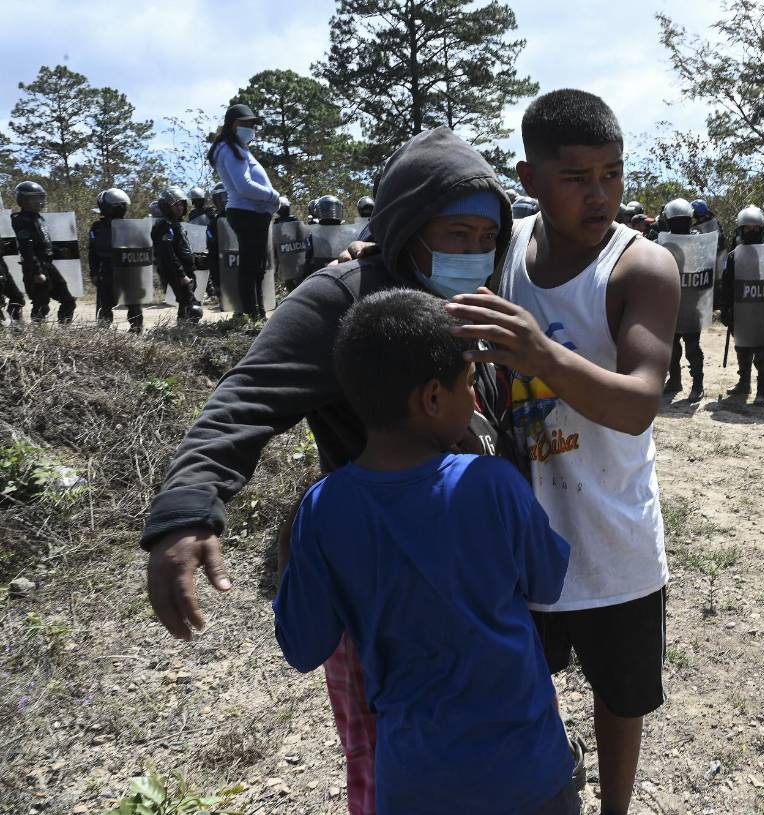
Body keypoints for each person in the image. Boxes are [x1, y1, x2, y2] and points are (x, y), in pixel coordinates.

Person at [140, 127, 520, 814]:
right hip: (383, 589)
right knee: (384, 757)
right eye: (456, 233)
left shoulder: (482, 295)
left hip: (473, 579)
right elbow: (247, 397)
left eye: (485, 237)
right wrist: (188, 505)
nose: (473, 253)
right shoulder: (342, 298)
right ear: (407, 226)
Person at [445, 89, 677, 815]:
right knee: (523, 683)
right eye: (577, 178)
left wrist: (539, 352)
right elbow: (432, 255)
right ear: (529, 178)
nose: (600, 194)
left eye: (613, 173)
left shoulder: (640, 267)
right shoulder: (503, 245)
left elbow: (638, 402)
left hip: (614, 539)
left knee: (620, 696)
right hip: (520, 537)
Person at [274, 288, 579, 815]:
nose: (476, 401)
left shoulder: (324, 510)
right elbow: (548, 582)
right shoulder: (493, 484)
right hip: (528, 772)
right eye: (468, 386)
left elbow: (303, 646)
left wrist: (296, 544)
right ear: (434, 398)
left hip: (415, 784)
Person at [208, 103, 280, 320]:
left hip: (253, 213)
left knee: (256, 267)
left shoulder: (237, 148)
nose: (251, 127)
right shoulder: (229, 150)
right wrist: (272, 196)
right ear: (232, 125)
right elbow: (244, 185)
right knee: (250, 267)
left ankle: (257, 312)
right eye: (245, 123)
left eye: (253, 123)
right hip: (247, 212)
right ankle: (251, 314)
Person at [720, 205, 764, 405]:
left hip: (762, 310)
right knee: (742, 348)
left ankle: (762, 391)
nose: (751, 231)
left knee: (760, 351)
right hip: (740, 311)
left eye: (755, 228)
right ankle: (744, 383)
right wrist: (725, 308)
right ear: (741, 230)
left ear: (762, 229)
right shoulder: (734, 255)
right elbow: (727, 284)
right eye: (747, 228)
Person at [11, 181, 75, 324]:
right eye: (35, 198)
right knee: (41, 304)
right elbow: (26, 247)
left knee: (69, 301)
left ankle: (65, 331)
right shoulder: (20, 220)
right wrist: (37, 271)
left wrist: (59, 251)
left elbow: (42, 244)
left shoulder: (39, 218)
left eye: (41, 198)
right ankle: (39, 336)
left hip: (47, 264)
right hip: (34, 265)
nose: (40, 201)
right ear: (24, 200)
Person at [661, 198, 704, 400]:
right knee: (671, 348)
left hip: (691, 303)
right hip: (670, 304)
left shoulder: (699, 241)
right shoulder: (663, 242)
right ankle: (675, 381)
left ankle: (697, 384)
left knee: (692, 348)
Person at [89, 188, 144, 333]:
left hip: (128, 269)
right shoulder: (97, 228)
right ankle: (103, 334)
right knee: (104, 305)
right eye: (118, 206)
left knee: (134, 304)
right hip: (107, 270)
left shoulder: (132, 227)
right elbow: (93, 253)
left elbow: (142, 248)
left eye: (123, 205)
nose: (122, 209)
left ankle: (136, 331)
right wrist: (94, 272)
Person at [151, 187, 204, 324]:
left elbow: (182, 249)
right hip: (177, 272)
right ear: (166, 207)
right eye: (176, 205)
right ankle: (188, 332)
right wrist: (181, 275)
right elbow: (167, 254)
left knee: (185, 304)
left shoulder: (177, 225)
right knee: (192, 307)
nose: (180, 208)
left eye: (181, 204)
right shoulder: (164, 226)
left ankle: (182, 328)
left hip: (187, 269)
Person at [204, 183, 227, 300]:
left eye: (225, 197)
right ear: (215, 201)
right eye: (220, 198)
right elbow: (212, 250)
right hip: (221, 262)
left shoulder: (241, 219)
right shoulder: (213, 223)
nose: (223, 201)